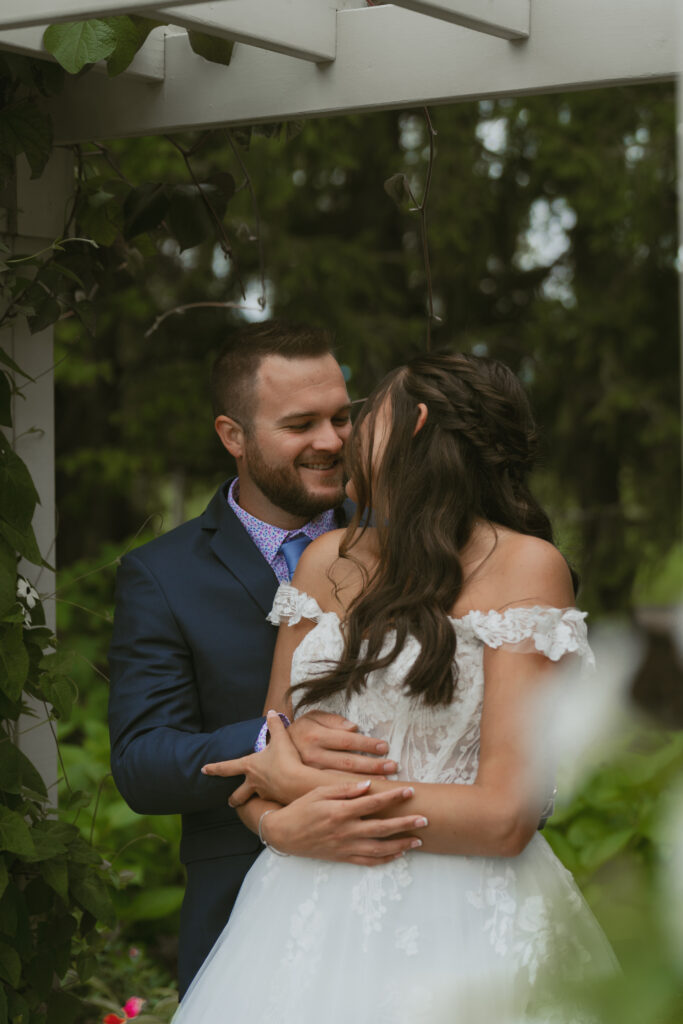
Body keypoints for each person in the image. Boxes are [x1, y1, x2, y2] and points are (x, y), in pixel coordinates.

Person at [172, 351, 618, 1023]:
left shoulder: (525, 567)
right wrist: (280, 824)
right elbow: (267, 762)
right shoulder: (327, 561)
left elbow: (503, 818)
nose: (347, 437)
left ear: (411, 424)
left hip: (466, 921)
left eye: (363, 417)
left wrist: (309, 789)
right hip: (298, 915)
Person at [107, 321, 420, 997]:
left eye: (342, 417)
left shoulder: (415, 548)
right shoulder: (160, 575)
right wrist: (270, 742)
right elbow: (143, 761)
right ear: (232, 436)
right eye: (300, 423)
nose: (332, 441)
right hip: (244, 921)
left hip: (420, 906)